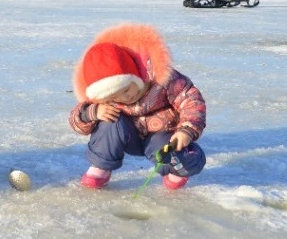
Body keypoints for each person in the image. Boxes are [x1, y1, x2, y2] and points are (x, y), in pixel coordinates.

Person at [69, 23, 206, 190]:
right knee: (109, 122)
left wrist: (186, 130)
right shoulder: (101, 95)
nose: (125, 98)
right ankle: (101, 166)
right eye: (114, 97)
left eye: (127, 89)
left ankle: (175, 171)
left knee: (174, 152)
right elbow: (76, 118)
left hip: (161, 134)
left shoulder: (162, 79)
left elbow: (191, 101)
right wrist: (93, 112)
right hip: (128, 136)